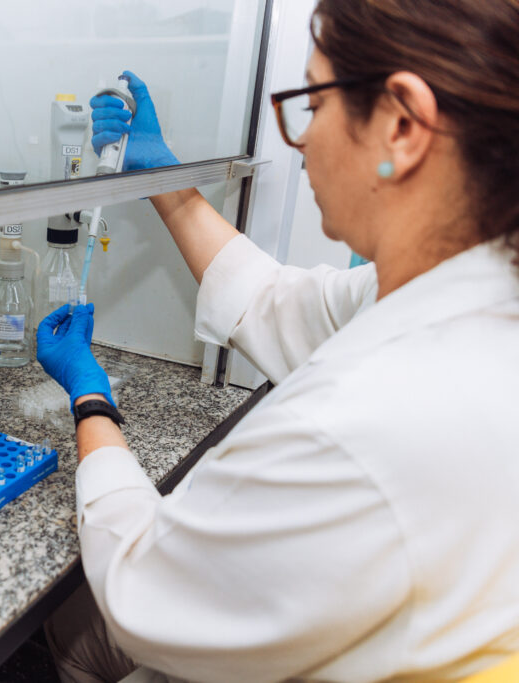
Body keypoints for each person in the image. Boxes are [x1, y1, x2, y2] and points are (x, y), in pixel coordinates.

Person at [36, 1, 519, 681]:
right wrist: (163, 177)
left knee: (79, 630)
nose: (304, 139)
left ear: (403, 125)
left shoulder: (355, 425)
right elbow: (270, 299)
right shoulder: (474, 295)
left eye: (314, 104)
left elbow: (139, 587)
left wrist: (90, 400)